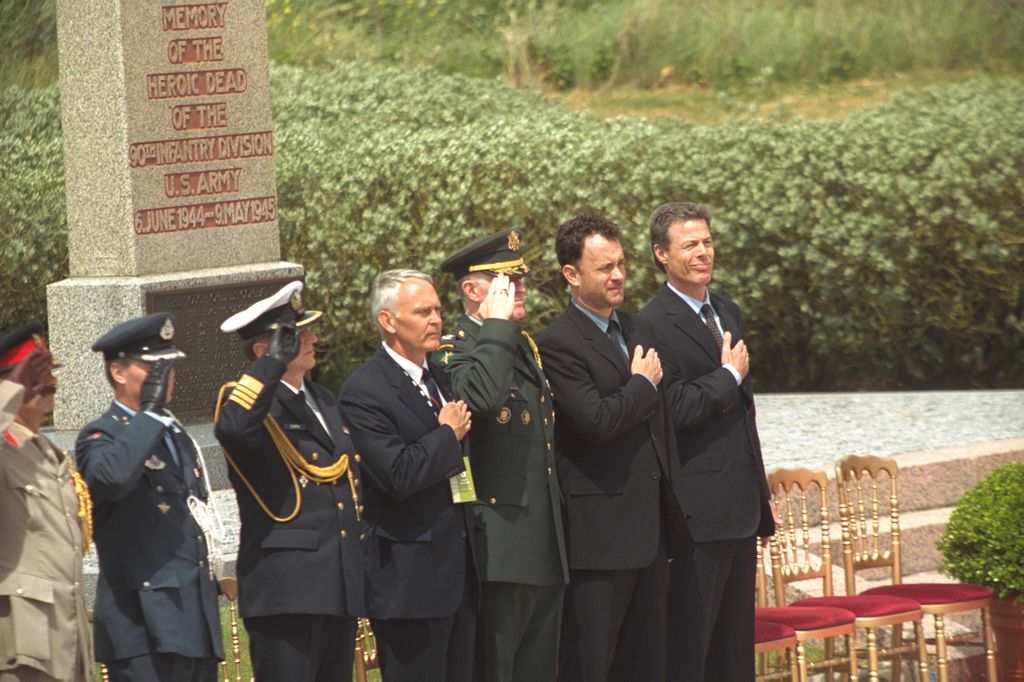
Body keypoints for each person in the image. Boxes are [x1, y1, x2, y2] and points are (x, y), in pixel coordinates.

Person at [535, 215, 691, 682]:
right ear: (571, 274)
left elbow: (661, 427)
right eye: (604, 268)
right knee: (591, 664)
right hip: (598, 539)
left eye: (621, 263)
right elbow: (595, 421)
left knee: (647, 665)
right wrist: (642, 384)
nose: (618, 275)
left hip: (650, 531)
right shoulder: (557, 343)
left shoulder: (639, 328)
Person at [639, 202, 775, 681]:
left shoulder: (726, 310)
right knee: (691, 646)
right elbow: (669, 409)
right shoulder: (650, 323)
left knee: (735, 650)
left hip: (741, 504)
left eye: (707, 242)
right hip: (696, 510)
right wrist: (726, 376)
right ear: (662, 254)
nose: (703, 253)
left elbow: (745, 413)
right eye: (690, 244)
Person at [214, 280, 366, 682]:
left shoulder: (324, 401)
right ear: (267, 350)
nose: (312, 338)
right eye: (297, 336)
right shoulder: (248, 405)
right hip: (287, 591)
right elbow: (232, 430)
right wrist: (268, 368)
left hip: (335, 584)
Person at [436, 231, 568, 682]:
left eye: (520, 278)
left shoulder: (521, 345)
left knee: (537, 669)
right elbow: (484, 399)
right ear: (473, 291)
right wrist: (495, 326)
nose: (521, 287)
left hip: (543, 538)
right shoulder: (454, 350)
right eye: (505, 280)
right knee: (499, 668)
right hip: (501, 544)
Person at [338, 269, 478, 682]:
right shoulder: (365, 390)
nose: (436, 319)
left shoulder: (441, 377)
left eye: (437, 309)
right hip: (410, 582)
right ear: (388, 320)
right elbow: (396, 474)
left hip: (459, 573)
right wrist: (446, 434)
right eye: (422, 311)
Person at [75, 313, 223, 681]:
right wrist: (151, 412)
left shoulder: (174, 434)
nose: (165, 376)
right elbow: (111, 480)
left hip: (191, 619)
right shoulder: (101, 435)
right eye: (152, 367)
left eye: (169, 367)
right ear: (118, 373)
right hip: (142, 624)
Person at [0, 323, 93, 682]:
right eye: (34, 375)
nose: (48, 383)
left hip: (64, 638)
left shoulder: (47, 452)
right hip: (22, 646)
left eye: (49, 373)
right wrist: (11, 391)